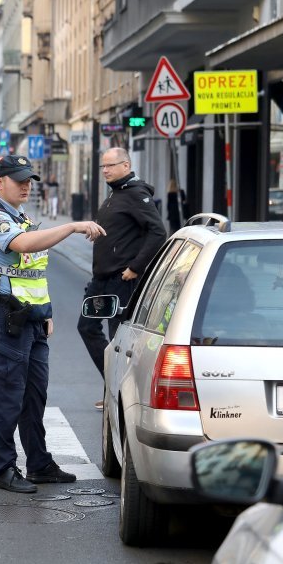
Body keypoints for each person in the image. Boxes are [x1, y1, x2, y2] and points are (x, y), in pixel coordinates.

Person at [0, 154, 106, 494]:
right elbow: (23, 246)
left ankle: (39, 464)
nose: (26, 185)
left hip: (30, 319)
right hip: (5, 318)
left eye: (28, 179)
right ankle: (2, 469)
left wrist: (45, 313)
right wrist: (72, 225)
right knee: (8, 396)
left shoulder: (23, 219)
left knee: (34, 396)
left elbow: (33, 273)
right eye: (18, 180)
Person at [77, 147, 167, 409]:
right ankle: (113, 386)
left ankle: (119, 395)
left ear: (126, 165)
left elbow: (157, 232)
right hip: (101, 279)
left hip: (121, 280)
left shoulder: (136, 194)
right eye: (103, 166)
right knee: (87, 327)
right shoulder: (116, 193)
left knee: (118, 339)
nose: (105, 170)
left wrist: (136, 268)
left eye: (110, 166)